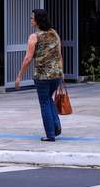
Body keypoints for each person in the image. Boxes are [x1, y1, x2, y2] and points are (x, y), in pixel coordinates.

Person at [16, 9, 64, 142]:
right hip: (56, 75)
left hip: (42, 77)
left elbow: (27, 59)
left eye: (32, 18)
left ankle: (50, 135)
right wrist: (61, 72)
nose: (30, 20)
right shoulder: (54, 33)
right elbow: (59, 55)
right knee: (49, 99)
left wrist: (20, 76)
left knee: (44, 103)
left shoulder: (34, 37)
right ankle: (56, 126)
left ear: (37, 20)